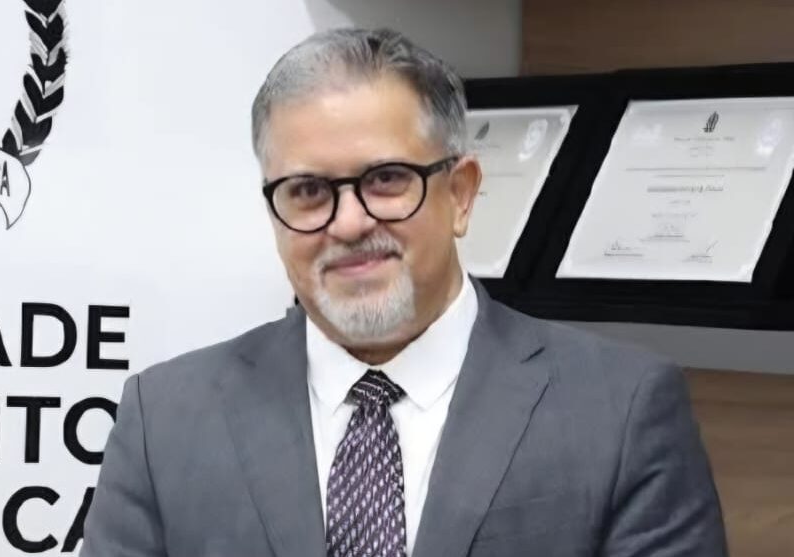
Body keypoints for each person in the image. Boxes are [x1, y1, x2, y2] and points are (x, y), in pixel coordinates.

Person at [81, 27, 727, 557]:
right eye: (308, 191)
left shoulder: (620, 412)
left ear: (461, 194)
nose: (348, 223)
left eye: (386, 179)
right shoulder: (164, 421)